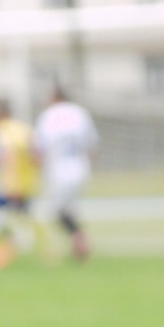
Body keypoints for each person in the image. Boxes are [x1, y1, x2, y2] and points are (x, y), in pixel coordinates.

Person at [34, 87, 99, 262]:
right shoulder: (80, 113)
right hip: (81, 166)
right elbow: (92, 145)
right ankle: (78, 243)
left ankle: (79, 239)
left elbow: (39, 150)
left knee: (55, 211)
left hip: (59, 168)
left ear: (54, 98)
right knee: (69, 210)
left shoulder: (48, 116)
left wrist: (39, 170)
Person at [0, 101, 44, 272]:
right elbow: (37, 157)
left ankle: (8, 249)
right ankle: (40, 252)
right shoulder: (25, 129)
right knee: (23, 218)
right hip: (28, 184)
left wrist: (12, 182)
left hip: (10, 185)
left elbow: (8, 157)